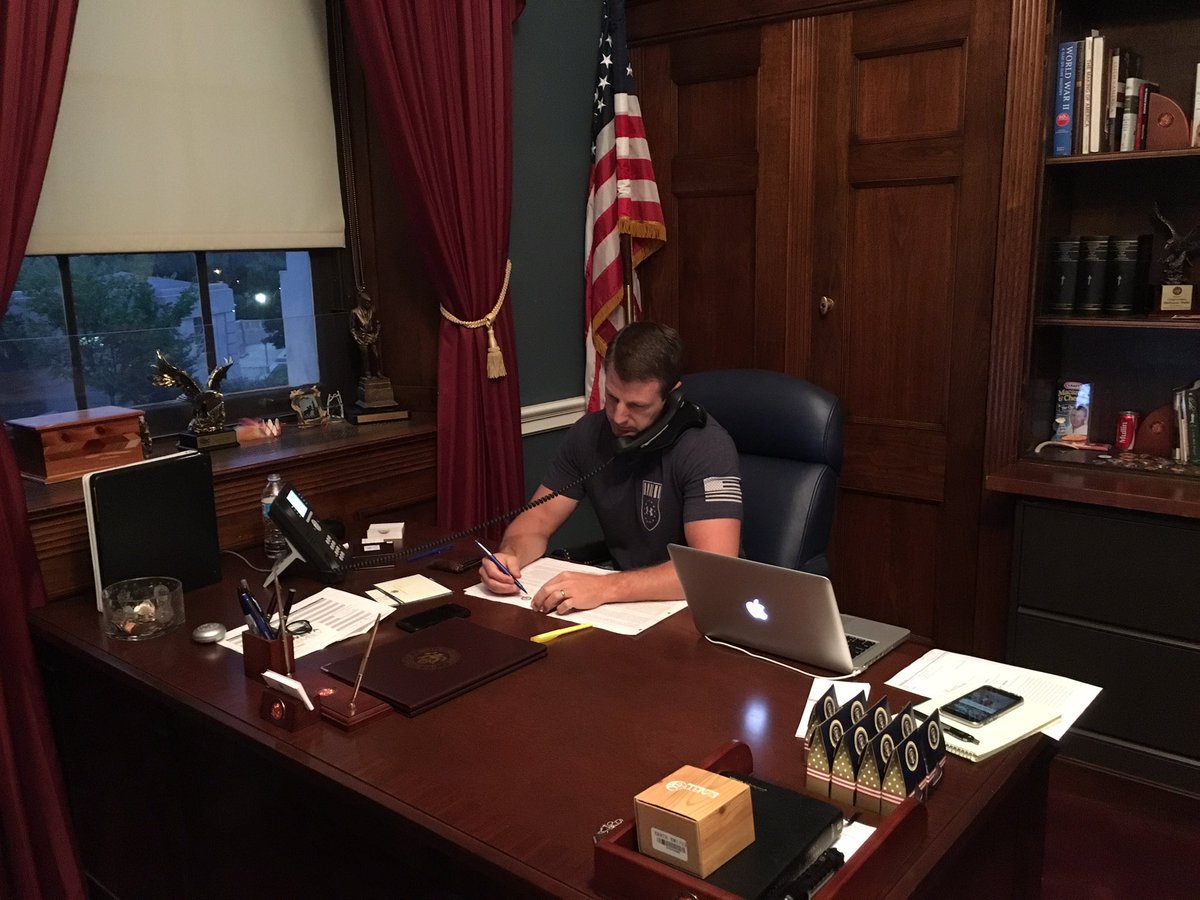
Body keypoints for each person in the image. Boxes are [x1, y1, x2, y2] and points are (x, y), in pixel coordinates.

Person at [480, 322, 742, 614]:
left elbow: (711, 570)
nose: (618, 416)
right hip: (624, 606)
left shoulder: (706, 447)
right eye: (613, 397)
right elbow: (538, 519)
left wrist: (605, 588)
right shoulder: (588, 435)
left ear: (672, 396)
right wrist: (509, 556)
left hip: (696, 607)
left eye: (637, 406)